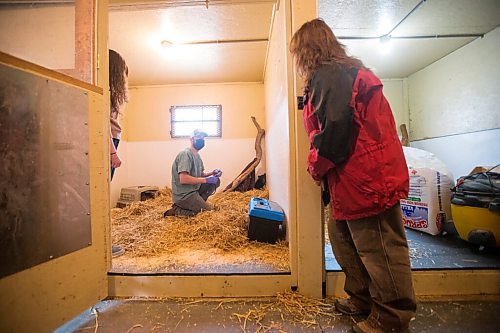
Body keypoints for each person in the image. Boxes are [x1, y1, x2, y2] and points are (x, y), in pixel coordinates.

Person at [290, 19, 416, 333]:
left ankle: (391, 317)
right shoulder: (333, 76)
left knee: (380, 248)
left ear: (308, 50)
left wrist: (315, 166)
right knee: (342, 238)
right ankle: (362, 299)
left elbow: (335, 133)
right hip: (351, 180)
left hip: (367, 177)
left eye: (297, 53)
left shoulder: (330, 74)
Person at [164, 129, 222, 217]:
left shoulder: (198, 156)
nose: (201, 139)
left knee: (216, 181)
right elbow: (183, 179)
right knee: (209, 212)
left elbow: (201, 175)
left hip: (194, 190)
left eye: (203, 138)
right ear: (191, 139)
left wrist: (212, 173)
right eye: (198, 137)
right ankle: (177, 210)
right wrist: (206, 180)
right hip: (184, 195)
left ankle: (199, 203)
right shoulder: (185, 154)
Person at [109, 49, 129, 257]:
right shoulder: (104, 92)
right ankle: (102, 245)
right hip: (109, 144)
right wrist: (113, 152)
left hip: (112, 141)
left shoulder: (111, 94)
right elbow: (101, 124)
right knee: (102, 192)